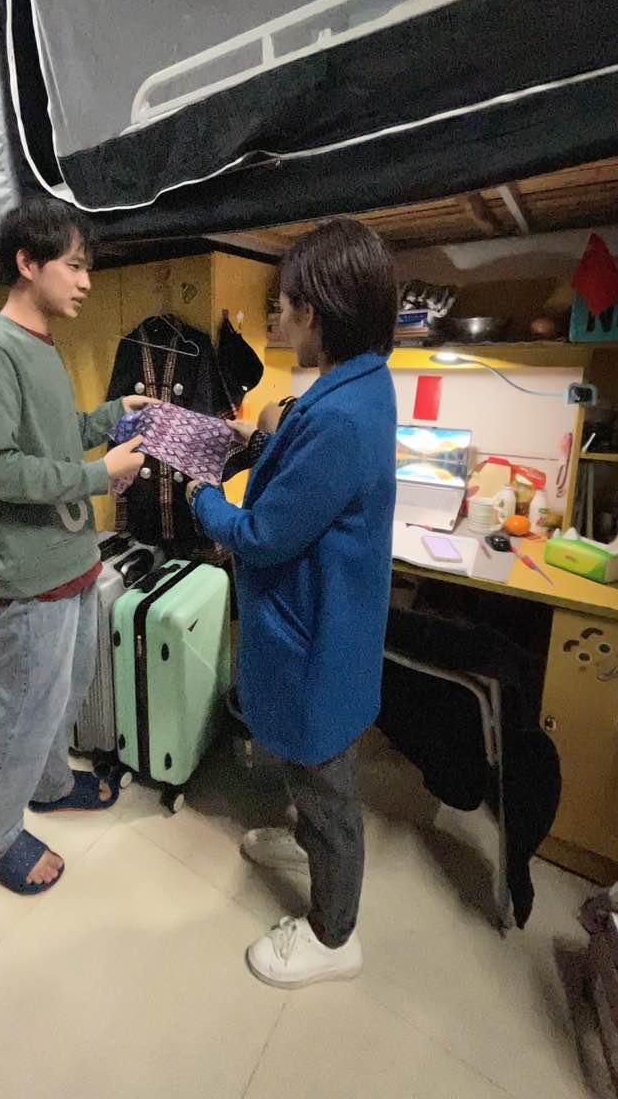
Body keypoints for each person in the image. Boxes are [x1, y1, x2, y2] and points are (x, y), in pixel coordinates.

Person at [187, 218, 398, 988]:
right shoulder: (360, 383)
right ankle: (306, 844)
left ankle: (334, 935)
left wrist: (203, 494)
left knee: (327, 787)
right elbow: (302, 447)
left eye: (283, 304)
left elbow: (266, 534)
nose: (276, 317)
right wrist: (267, 432)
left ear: (316, 312)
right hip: (327, 622)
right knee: (308, 769)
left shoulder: (337, 416)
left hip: (319, 637)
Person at [0, 201, 155, 895]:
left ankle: (50, 784)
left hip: (72, 559)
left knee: (65, 691)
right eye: (74, 265)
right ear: (28, 264)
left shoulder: (39, 345)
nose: (86, 281)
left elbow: (55, 436)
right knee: (17, 711)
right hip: (28, 572)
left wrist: (112, 417)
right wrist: (100, 475)